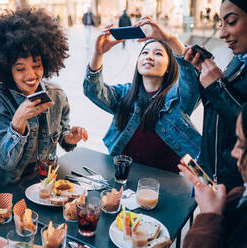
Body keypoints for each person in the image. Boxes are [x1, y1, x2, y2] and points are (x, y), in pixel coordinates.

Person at [0, 8, 88, 187]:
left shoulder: (57, 96)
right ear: (7, 69)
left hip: (47, 182)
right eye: (20, 68)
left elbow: (61, 135)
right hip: (11, 187)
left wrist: (69, 138)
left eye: (37, 65)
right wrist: (18, 120)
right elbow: (5, 162)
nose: (31, 75)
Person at [83, 17, 201, 173]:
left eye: (158, 54)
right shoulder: (124, 93)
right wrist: (98, 54)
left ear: (168, 66)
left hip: (168, 183)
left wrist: (170, 39)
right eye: (144, 52)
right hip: (124, 176)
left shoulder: (177, 98)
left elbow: (191, 81)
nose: (149, 56)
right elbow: (93, 90)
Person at [184, 0, 247, 191]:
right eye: (221, 24)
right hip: (210, 179)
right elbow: (217, 108)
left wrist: (217, 85)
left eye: (232, 21)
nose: (222, 34)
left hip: (233, 190)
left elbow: (243, 124)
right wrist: (205, 76)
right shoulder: (239, 59)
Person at [180, 103, 247, 248]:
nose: (233, 153)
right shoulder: (239, 197)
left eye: (241, 145)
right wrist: (227, 204)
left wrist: (209, 216)